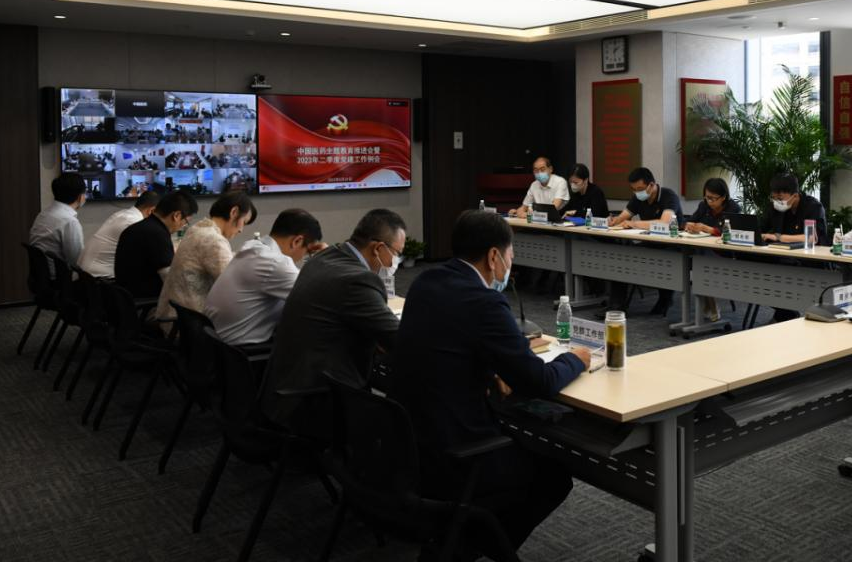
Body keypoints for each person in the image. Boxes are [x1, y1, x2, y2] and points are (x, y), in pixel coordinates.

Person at [393, 210, 589, 558]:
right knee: (552, 478)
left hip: (411, 444)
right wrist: (576, 359)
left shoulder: (425, 281)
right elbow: (540, 381)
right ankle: (465, 549)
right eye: (511, 256)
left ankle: (457, 540)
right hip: (455, 452)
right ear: (494, 256)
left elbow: (448, 342)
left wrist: (488, 368)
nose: (510, 266)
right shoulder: (485, 301)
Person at [260, 208, 404, 437]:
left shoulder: (324, 257)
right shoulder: (358, 279)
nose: (396, 261)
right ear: (377, 248)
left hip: (284, 388)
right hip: (313, 402)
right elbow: (399, 340)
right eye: (397, 254)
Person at [204, 208, 326, 346]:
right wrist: (328, 259)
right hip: (240, 351)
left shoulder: (254, 247)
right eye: (308, 252)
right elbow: (322, 298)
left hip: (215, 344)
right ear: (297, 241)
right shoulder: (275, 263)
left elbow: (299, 282)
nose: (304, 256)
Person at [155, 191, 256, 322]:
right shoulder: (214, 240)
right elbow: (234, 286)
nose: (241, 230)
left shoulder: (198, 228)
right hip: (190, 323)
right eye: (244, 222)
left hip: (177, 315)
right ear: (234, 212)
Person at [606, 167, 683, 315]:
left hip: (672, 244)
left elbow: (665, 223)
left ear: (651, 185)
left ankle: (665, 299)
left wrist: (634, 224)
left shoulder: (668, 196)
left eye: (640, 189)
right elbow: (622, 217)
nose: (637, 192)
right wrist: (613, 220)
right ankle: (616, 305)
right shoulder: (638, 198)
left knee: (662, 260)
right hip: (651, 242)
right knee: (620, 258)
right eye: (634, 189)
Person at [115, 190, 198, 302]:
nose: (183, 226)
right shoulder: (157, 234)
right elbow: (172, 281)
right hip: (146, 301)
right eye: (186, 222)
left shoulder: (139, 227)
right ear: (177, 216)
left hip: (126, 299)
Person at [684, 177, 741, 322]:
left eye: (713, 198)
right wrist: (690, 226)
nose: (709, 201)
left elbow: (731, 233)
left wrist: (707, 229)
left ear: (723, 197)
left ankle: (711, 304)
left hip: (724, 254)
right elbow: (690, 220)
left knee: (700, 261)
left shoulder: (733, 208)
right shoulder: (703, 206)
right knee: (699, 258)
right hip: (704, 251)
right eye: (707, 197)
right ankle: (710, 304)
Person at [77, 191, 160, 278]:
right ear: (151, 211)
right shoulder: (134, 222)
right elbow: (148, 255)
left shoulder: (122, 214)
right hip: (98, 278)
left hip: (86, 271)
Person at [29, 172, 87, 271]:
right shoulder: (69, 221)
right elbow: (77, 262)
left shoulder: (43, 214)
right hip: (60, 277)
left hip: (41, 275)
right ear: (80, 197)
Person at [759, 172, 828, 245]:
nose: (777, 202)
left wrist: (778, 237)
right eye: (774, 198)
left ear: (795, 196)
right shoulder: (775, 207)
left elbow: (811, 238)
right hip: (781, 249)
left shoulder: (813, 207)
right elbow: (759, 229)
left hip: (811, 250)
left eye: (780, 199)